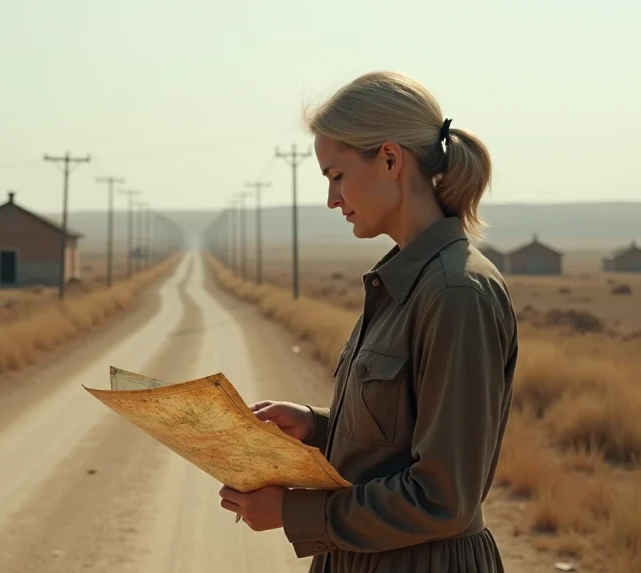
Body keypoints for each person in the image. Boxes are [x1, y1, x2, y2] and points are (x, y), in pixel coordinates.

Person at [218, 70, 518, 573]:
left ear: (390, 159)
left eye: (336, 176)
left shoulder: (455, 293)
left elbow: (443, 498)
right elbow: (404, 440)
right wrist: (316, 426)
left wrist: (294, 511)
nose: (333, 199)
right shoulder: (405, 280)